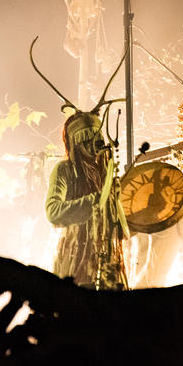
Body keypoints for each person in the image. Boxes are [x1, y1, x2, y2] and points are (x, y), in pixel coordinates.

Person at [45, 110, 129, 290]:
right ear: (75, 143)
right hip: (77, 260)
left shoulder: (105, 172)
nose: (93, 144)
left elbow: (124, 229)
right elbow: (53, 211)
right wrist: (96, 201)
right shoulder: (64, 169)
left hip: (108, 261)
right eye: (86, 139)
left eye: (96, 138)